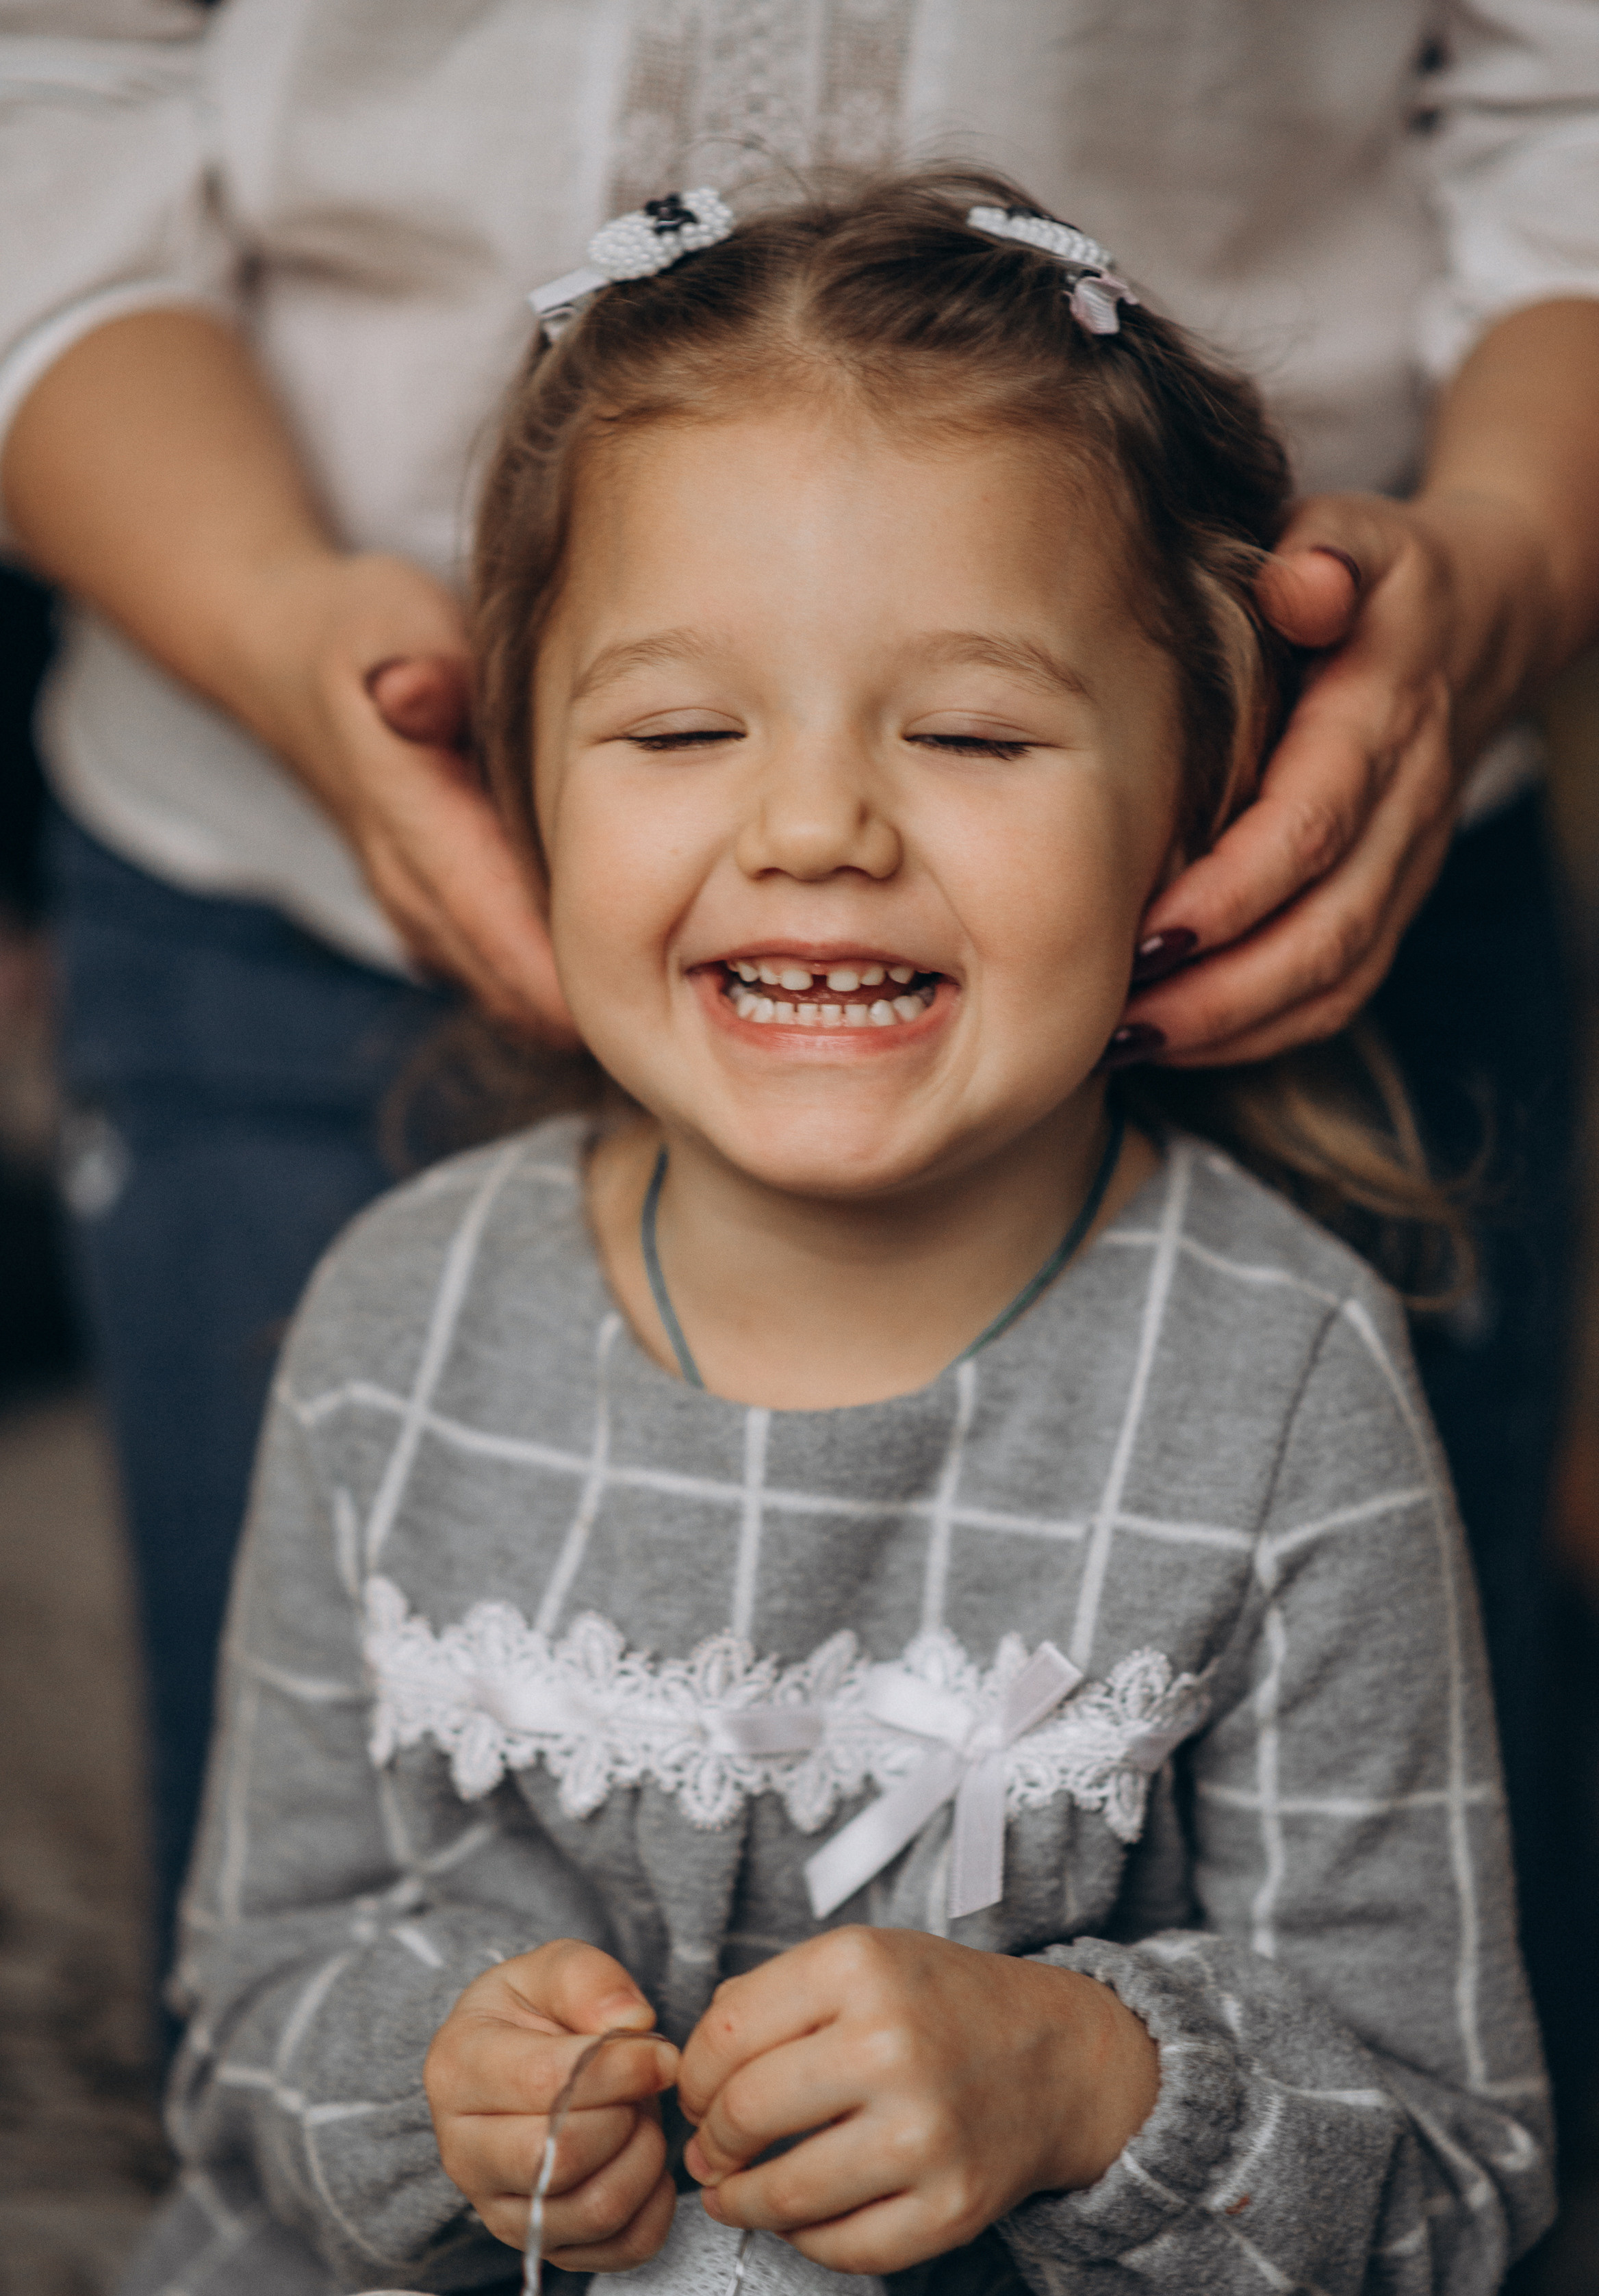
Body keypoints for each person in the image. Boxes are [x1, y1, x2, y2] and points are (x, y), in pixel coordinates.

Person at [2, 0, 1596, 2072]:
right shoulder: (389, 1328)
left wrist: (1080, 2087)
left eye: (966, 732)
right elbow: (272, 2015)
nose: (820, 827)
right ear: (525, 764)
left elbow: (1410, 2121)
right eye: (676, 730)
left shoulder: (1296, 1389)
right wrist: (431, 2093)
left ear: (1198, 788)